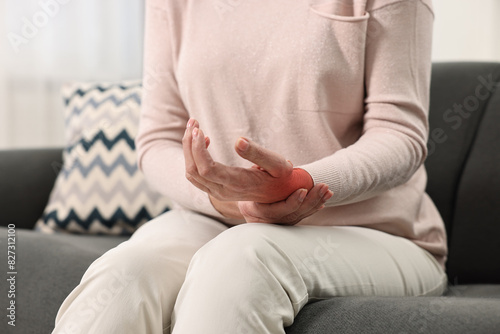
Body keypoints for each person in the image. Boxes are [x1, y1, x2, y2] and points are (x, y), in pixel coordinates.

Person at [52, 0, 447, 333]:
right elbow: (158, 138)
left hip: (374, 233)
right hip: (216, 217)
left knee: (241, 260)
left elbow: (400, 136)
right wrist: (227, 200)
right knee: (127, 273)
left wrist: (300, 184)